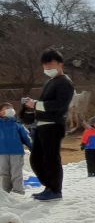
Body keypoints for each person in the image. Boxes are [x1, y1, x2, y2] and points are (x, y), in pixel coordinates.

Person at [22, 49, 75, 201]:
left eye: (50, 64)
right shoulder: (50, 82)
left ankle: (55, 189)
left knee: (51, 158)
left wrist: (36, 104)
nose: (47, 69)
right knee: (37, 159)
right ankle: (48, 186)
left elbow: (60, 104)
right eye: (45, 66)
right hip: (42, 125)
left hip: (53, 125)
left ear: (60, 64)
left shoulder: (65, 82)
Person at [0, 102, 33, 194]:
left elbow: (26, 138)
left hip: (16, 152)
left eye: (11, 108)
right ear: (0, 112)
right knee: (4, 173)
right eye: (6, 108)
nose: (10, 110)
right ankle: (6, 192)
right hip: (2, 153)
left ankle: (18, 191)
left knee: (16, 173)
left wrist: (32, 148)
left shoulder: (17, 124)